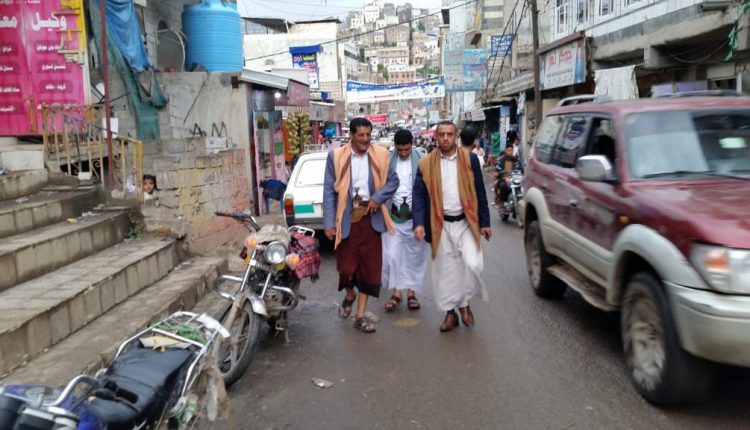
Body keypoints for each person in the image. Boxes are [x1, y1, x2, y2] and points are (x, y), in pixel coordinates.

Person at [412, 120, 492, 332]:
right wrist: (418, 223)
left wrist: (485, 222)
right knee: (445, 272)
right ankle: (451, 314)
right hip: (440, 224)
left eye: (450, 134)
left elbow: (480, 191)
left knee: (473, 263)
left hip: (466, 222)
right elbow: (418, 195)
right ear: (436, 137)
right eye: (442, 134)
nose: (446, 138)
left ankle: (464, 303)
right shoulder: (426, 163)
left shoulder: (470, 159)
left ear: (456, 136)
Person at [323, 117, 399, 333]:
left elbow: (393, 181)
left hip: (371, 219)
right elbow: (329, 191)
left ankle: (360, 315)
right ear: (351, 135)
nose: (365, 139)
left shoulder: (381, 155)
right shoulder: (336, 157)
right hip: (347, 219)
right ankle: (350, 294)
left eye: (368, 135)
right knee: (346, 269)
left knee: (369, 269)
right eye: (361, 135)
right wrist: (328, 223)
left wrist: (378, 198)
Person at [382, 129, 428, 312]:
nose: (403, 153)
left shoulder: (422, 160)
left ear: (412, 145)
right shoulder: (387, 160)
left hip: (415, 218)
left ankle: (411, 293)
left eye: (406, 150)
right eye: (399, 150)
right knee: (392, 256)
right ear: (395, 147)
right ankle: (396, 292)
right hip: (392, 217)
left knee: (414, 257)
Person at [495, 143, 523, 211]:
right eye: (509, 150)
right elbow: (497, 171)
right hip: (504, 179)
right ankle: (501, 203)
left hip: (515, 179)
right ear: (505, 151)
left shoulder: (516, 160)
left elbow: (521, 169)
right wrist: (502, 174)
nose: (510, 152)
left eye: (511, 150)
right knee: (502, 185)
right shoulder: (501, 160)